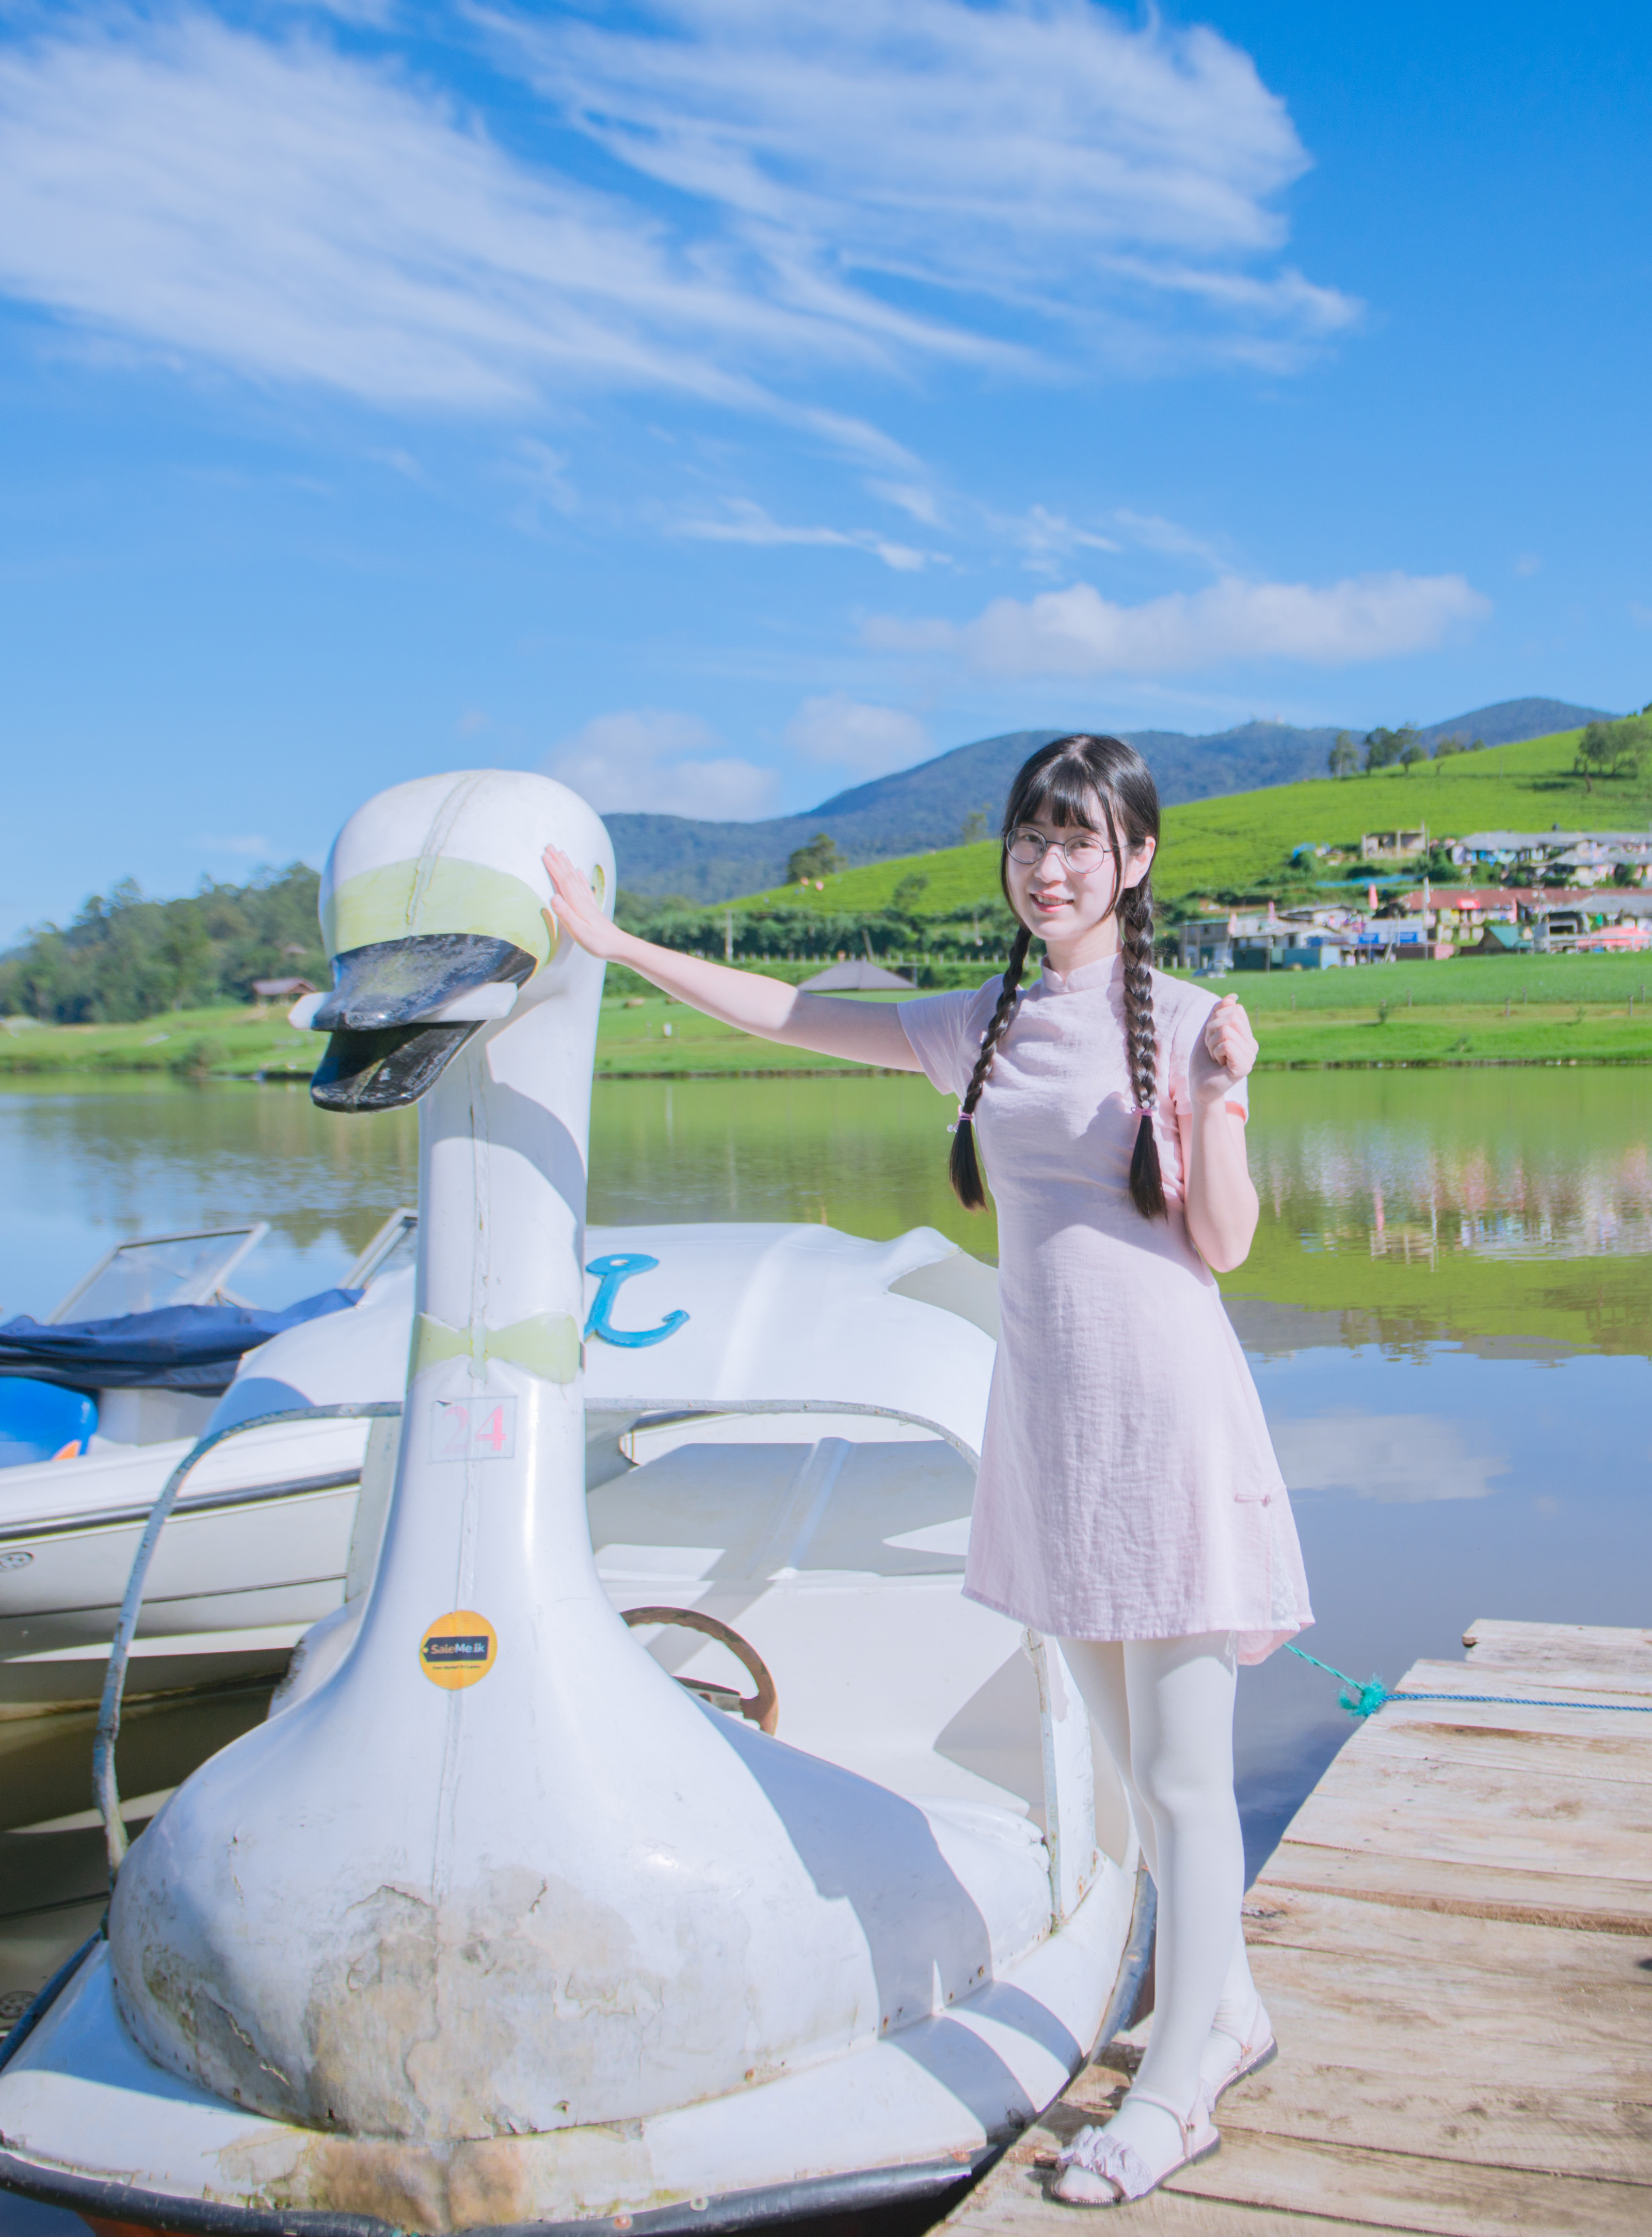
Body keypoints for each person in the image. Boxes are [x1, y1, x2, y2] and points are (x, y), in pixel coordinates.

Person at [540, 732, 1307, 2207]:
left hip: (1169, 1426)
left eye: (1081, 842)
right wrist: (617, 945)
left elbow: (1223, 1243)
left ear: (1137, 860)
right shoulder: (985, 1025)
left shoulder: (1195, 1021)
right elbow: (792, 1014)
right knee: (1129, 1783)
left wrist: (1221, 1097)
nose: (1050, 866)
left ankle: (1176, 2091)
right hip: (1053, 1432)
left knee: (1185, 1778)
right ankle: (1232, 2009)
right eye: (1032, 838)